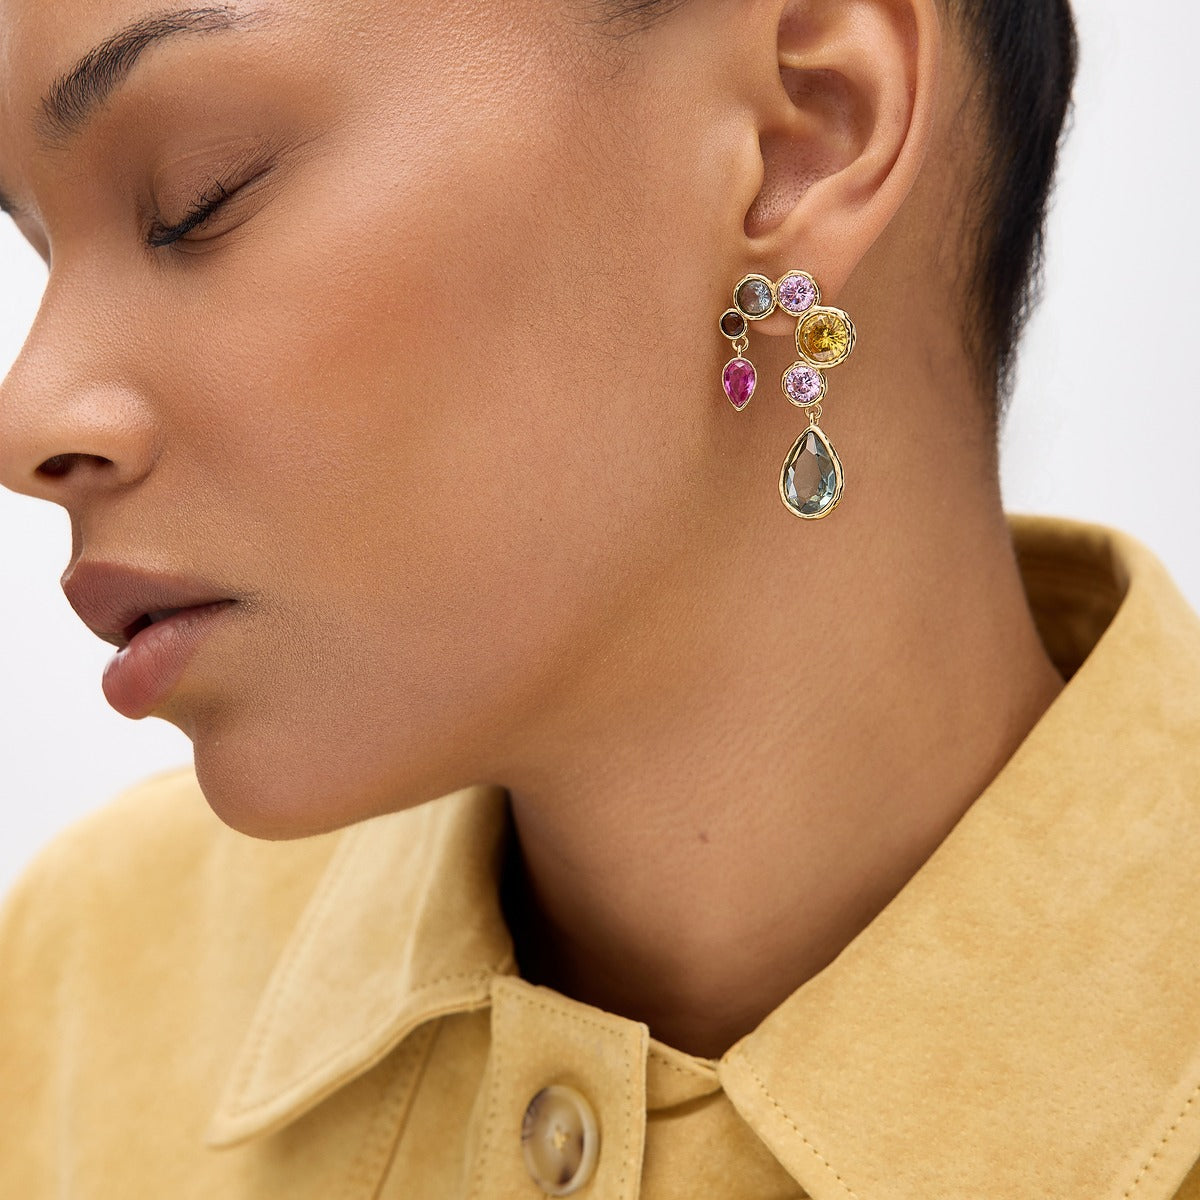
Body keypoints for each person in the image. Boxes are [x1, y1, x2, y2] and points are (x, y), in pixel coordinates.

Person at [2, 0, 1199, 1195]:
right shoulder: (79, 987)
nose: (30, 414)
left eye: (199, 196)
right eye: (43, 253)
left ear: (806, 128)